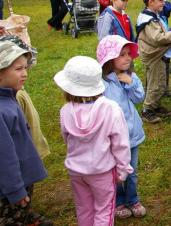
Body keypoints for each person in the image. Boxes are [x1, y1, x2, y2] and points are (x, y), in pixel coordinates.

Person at [56, 56, 133, 226]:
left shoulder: (65, 110)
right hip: (102, 172)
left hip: (76, 171)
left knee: (84, 209)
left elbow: (67, 139)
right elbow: (121, 143)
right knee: (104, 210)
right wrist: (123, 169)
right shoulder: (111, 109)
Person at [96, 35, 148, 219]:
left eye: (129, 54)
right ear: (109, 59)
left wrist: (130, 83)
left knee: (131, 170)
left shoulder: (131, 77)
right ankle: (118, 201)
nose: (128, 58)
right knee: (116, 172)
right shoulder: (101, 84)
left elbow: (139, 98)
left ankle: (133, 199)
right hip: (112, 138)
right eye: (123, 55)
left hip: (131, 135)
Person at [0, 41, 48, 225]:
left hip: (21, 179)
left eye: (25, 67)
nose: (25, 73)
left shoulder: (9, 96)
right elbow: (4, 156)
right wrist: (14, 190)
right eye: (18, 69)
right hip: (10, 189)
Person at [135, 0, 171, 123]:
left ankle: (156, 106)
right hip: (154, 55)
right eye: (160, 0)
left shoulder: (153, 15)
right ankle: (147, 110)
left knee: (161, 81)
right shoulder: (148, 20)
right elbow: (158, 38)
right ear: (150, 2)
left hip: (158, 54)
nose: (163, 3)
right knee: (155, 83)